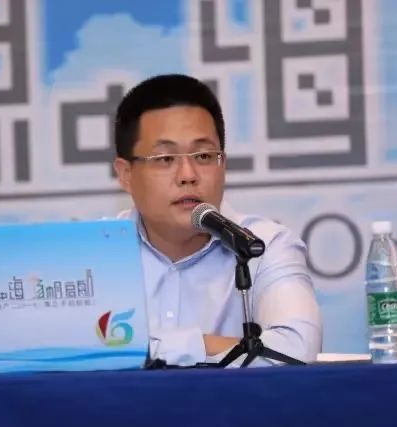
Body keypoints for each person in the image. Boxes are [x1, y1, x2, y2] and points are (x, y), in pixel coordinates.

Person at [112, 74, 322, 366]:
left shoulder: (262, 247)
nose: (188, 175)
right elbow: (64, 356)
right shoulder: (94, 253)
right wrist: (225, 346)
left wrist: (159, 347)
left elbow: (296, 352)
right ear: (126, 175)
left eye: (204, 156)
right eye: (165, 159)